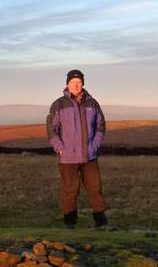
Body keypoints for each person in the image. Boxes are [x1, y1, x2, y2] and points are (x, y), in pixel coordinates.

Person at [46, 69, 110, 230]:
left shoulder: (92, 103)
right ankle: (70, 224)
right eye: (73, 82)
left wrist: (94, 146)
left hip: (90, 157)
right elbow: (51, 129)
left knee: (95, 190)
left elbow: (100, 127)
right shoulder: (58, 105)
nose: (76, 85)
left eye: (79, 82)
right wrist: (60, 148)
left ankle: (101, 224)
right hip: (68, 158)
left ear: (83, 83)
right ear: (67, 84)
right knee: (70, 192)